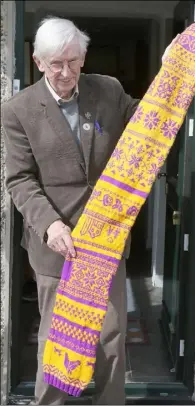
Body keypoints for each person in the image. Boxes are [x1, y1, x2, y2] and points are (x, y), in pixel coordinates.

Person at [2, 17, 174, 405]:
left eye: (73, 61)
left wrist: (169, 76)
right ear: (38, 61)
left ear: (83, 57)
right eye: (56, 63)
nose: (66, 72)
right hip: (57, 246)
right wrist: (50, 226)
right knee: (58, 338)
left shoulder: (108, 89)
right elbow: (20, 181)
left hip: (107, 240)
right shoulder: (18, 110)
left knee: (111, 334)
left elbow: (147, 122)